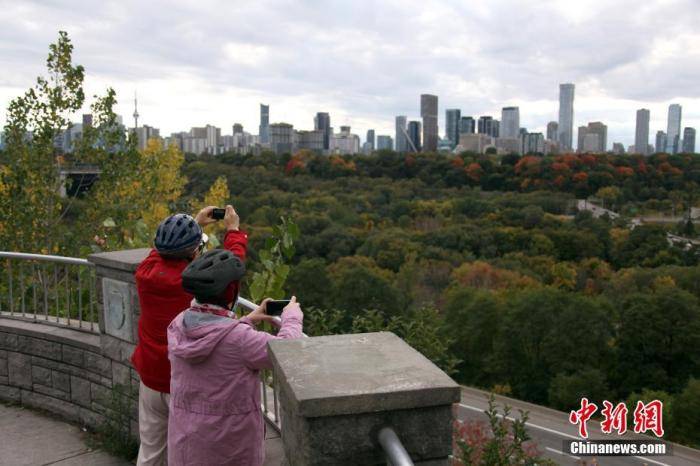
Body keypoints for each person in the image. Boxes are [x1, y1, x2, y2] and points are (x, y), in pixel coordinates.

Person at [131, 205, 247, 466]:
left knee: (150, 451)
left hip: (150, 377)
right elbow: (230, 266)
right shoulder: (190, 284)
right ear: (195, 251)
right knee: (185, 454)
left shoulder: (145, 274)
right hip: (182, 381)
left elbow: (161, 253)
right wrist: (233, 231)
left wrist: (195, 225)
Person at [167, 249, 304, 466]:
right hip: (229, 449)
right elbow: (287, 352)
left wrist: (247, 320)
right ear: (231, 290)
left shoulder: (177, 324)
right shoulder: (240, 340)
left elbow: (217, 335)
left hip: (187, 445)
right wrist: (292, 317)